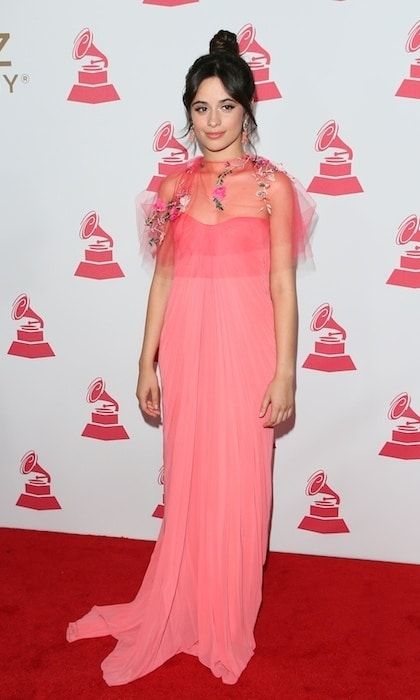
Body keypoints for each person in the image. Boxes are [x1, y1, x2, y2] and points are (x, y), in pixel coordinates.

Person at [66, 29, 316, 686]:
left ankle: (225, 619)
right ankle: (181, 605)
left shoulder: (273, 189)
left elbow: (284, 287)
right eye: (201, 107)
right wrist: (145, 361)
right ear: (188, 112)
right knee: (190, 479)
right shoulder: (172, 188)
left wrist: (285, 371)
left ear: (247, 110)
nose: (212, 121)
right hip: (188, 349)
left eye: (226, 107)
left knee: (242, 483)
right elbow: (165, 281)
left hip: (248, 350)